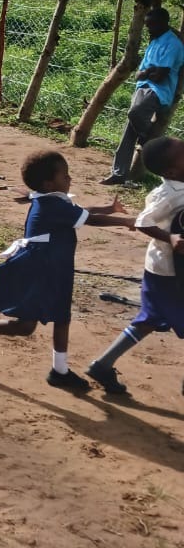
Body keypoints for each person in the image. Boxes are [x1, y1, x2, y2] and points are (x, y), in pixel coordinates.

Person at [0, 150, 134, 391]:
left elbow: (82, 212)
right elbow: (89, 219)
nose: (69, 178)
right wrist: (125, 222)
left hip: (55, 268)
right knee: (26, 326)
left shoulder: (53, 200)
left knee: (61, 317)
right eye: (65, 175)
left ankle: (59, 371)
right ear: (49, 183)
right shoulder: (51, 204)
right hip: (39, 270)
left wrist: (109, 208)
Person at [86, 137, 184, 396]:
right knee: (151, 318)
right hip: (169, 272)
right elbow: (142, 222)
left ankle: (102, 364)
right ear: (172, 171)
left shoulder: (180, 185)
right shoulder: (169, 195)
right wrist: (170, 238)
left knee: (149, 319)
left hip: (166, 271)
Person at [101, 7, 184, 186]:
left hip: (158, 91)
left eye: (152, 24)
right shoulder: (154, 42)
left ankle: (147, 138)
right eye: (147, 25)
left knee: (134, 113)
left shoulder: (173, 44)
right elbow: (139, 74)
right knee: (129, 130)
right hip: (143, 88)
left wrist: (148, 72)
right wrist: (149, 72)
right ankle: (119, 173)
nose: (148, 28)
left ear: (163, 23)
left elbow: (161, 75)